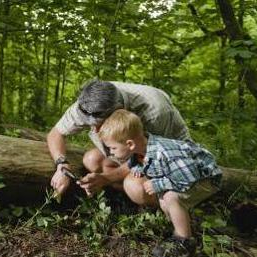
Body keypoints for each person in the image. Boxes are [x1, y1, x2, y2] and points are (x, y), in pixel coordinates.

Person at [98, 109, 222, 257]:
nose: (111, 152)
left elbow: (189, 177)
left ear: (130, 144)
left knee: (170, 197)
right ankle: (182, 229)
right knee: (164, 200)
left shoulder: (164, 152)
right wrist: (138, 169)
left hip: (206, 179)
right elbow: (140, 163)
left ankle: (184, 241)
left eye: (113, 148)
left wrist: (158, 184)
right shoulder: (138, 152)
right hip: (184, 176)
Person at [47, 79, 191, 196]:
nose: (96, 131)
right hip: (131, 153)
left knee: (135, 187)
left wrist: (106, 178)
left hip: (170, 160)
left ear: (119, 110)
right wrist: (62, 164)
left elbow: (150, 157)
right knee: (92, 160)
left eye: (101, 125)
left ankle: (169, 205)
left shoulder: (154, 111)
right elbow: (56, 133)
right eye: (90, 126)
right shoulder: (90, 101)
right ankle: (126, 198)